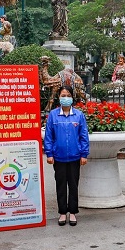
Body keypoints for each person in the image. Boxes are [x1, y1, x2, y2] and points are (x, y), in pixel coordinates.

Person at [43, 86, 89, 227]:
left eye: (68, 95)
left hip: (75, 157)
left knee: (74, 185)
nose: (66, 97)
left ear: (72, 97)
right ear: (59, 97)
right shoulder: (53, 115)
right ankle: (63, 213)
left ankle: (73, 212)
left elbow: (83, 136)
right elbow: (49, 136)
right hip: (59, 157)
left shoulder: (79, 115)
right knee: (61, 185)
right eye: (63, 95)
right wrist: (49, 153)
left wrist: (84, 154)